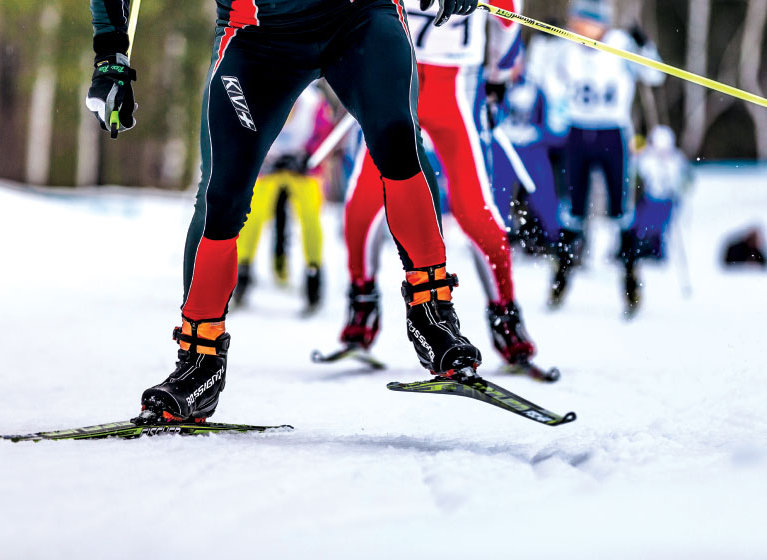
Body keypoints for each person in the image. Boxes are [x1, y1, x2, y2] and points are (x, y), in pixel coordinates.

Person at [86, 0, 485, 423]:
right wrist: (110, 56)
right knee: (222, 194)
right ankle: (200, 360)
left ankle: (432, 312)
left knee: (398, 138)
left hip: (359, 16)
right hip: (258, 33)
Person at [338, 0, 539, 367]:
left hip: (455, 90)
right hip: (396, 78)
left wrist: (496, 78)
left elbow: (507, 19)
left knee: (476, 213)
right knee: (361, 207)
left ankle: (506, 318)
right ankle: (361, 306)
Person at [548, 0, 665, 310]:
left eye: (584, 22)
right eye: (575, 22)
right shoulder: (566, 48)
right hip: (578, 132)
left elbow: (655, 76)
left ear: (601, 23)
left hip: (613, 134)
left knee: (620, 211)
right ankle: (560, 276)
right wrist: (543, 47)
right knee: (573, 211)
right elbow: (548, 82)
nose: (577, 28)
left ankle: (630, 277)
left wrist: (645, 47)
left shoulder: (620, 44)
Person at [234, 84, 334, 314]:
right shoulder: (262, 94)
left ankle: (313, 276)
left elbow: (325, 133)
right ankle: (242, 273)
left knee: (310, 220)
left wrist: (310, 156)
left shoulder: (313, 100)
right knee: (252, 217)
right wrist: (262, 156)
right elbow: (246, 128)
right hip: (270, 164)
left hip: (303, 167)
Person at [490, 55, 568, 255]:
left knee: (543, 193)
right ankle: (497, 237)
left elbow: (551, 118)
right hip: (503, 146)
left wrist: (546, 136)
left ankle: (553, 239)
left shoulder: (535, 84)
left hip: (532, 147)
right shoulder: (490, 82)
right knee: (498, 193)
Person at [621, 125, 692, 313]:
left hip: (664, 205)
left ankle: (650, 252)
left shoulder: (677, 161)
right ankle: (637, 256)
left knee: (648, 233)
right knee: (637, 233)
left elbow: (686, 182)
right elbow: (634, 176)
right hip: (647, 205)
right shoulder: (646, 159)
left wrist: (677, 189)